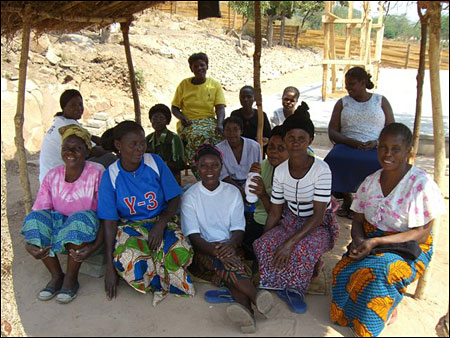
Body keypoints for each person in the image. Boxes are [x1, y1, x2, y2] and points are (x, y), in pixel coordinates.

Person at [330, 123, 446, 337]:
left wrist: (376, 243)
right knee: (341, 272)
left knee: (379, 271)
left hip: (409, 248)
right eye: (383, 147)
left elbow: (421, 233)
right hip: (371, 240)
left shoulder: (420, 184)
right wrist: (358, 240)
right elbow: (357, 220)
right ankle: (372, 309)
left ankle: (374, 322)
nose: (388, 154)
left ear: (408, 151)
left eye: (396, 149)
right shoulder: (370, 181)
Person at [180, 144, 276, 333]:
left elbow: (238, 229)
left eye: (214, 165)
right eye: (204, 166)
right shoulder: (190, 196)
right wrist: (217, 250)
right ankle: (256, 297)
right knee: (231, 265)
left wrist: (230, 246)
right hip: (203, 251)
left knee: (230, 269)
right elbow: (194, 236)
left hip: (231, 248)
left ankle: (247, 313)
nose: (209, 171)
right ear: (196, 168)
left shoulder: (232, 193)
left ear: (221, 166)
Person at [98, 121, 194, 305]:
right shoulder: (111, 175)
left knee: (181, 250)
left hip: (161, 220)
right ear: (118, 146)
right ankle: (160, 277)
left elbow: (174, 197)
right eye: (133, 144)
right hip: (130, 226)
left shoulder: (154, 162)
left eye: (142, 143)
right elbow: (109, 222)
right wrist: (109, 266)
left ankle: (159, 271)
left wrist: (160, 224)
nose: (139, 148)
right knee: (129, 259)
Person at [253, 113, 339, 313]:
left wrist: (288, 243)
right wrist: (266, 238)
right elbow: (275, 213)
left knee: (300, 249)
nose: (296, 143)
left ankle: (295, 289)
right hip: (290, 221)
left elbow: (318, 216)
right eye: (291, 138)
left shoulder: (322, 170)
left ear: (310, 140)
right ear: (285, 139)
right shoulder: (281, 171)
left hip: (318, 225)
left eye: (301, 139)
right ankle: (276, 283)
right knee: (262, 245)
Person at [21, 125, 105, 304]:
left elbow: (107, 213)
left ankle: (71, 279)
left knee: (79, 219)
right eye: (66, 148)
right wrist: (30, 242)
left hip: (87, 228)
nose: (70, 152)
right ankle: (57, 275)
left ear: (87, 151)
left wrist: (96, 244)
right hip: (61, 223)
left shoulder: (97, 172)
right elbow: (40, 211)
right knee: (35, 220)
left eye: (77, 148)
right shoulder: (53, 176)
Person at [324, 67, 394, 219]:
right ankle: (347, 198)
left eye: (352, 84)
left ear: (363, 83)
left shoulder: (380, 101)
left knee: (378, 163)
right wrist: (351, 142)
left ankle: (368, 203)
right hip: (347, 145)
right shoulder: (343, 103)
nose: (348, 88)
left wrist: (377, 142)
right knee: (333, 160)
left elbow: (391, 128)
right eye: (346, 84)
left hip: (375, 146)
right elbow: (333, 131)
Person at [39, 89, 115, 184]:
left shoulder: (62, 121)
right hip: (58, 180)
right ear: (64, 107)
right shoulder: (69, 127)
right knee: (109, 158)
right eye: (73, 105)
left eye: (80, 104)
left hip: (47, 177)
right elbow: (94, 151)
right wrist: (115, 147)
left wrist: (111, 140)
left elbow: (90, 137)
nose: (78, 108)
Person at [171, 52, 226, 173]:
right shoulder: (183, 85)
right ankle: (199, 171)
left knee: (220, 136)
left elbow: (220, 107)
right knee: (196, 136)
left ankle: (218, 171)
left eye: (202, 65)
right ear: (191, 69)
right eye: (196, 66)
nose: (199, 68)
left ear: (207, 66)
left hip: (209, 121)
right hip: (189, 123)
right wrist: (182, 118)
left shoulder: (214, 85)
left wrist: (220, 124)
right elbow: (174, 108)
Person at [242, 126, 289, 259]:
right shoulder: (263, 166)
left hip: (281, 225)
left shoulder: (293, 174)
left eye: (281, 148)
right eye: (271, 147)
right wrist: (251, 177)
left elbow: (280, 215)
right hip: (259, 218)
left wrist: (262, 194)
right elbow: (249, 199)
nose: (273, 152)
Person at [215, 116, 261, 197]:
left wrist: (248, 187)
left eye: (235, 130)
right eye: (228, 130)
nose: (231, 133)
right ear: (223, 132)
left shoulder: (254, 146)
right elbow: (224, 176)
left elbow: (258, 169)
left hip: (250, 181)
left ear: (241, 131)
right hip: (229, 184)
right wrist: (239, 190)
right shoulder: (218, 149)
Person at [146, 103, 185, 185]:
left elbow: (180, 164)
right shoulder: (148, 139)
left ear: (167, 121)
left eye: (161, 118)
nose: (157, 120)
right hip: (152, 180)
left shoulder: (174, 138)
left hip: (171, 180)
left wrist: (160, 164)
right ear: (150, 120)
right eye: (155, 117)